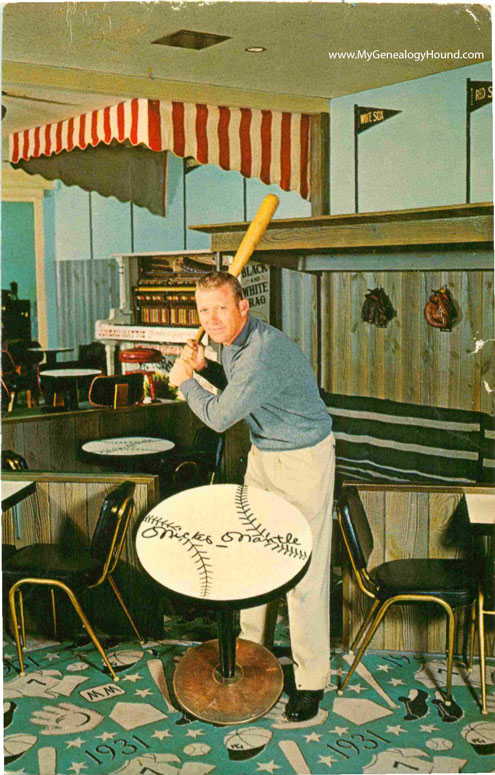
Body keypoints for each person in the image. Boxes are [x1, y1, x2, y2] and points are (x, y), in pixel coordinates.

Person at [168, 271, 335, 722]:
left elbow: (222, 418)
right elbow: (243, 390)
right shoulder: (234, 341)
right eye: (204, 310)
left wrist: (185, 380)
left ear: (244, 306)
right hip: (266, 454)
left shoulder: (262, 349)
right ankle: (248, 658)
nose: (212, 319)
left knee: (303, 572)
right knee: (254, 562)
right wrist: (206, 368)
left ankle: (311, 682)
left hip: (304, 459)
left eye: (221, 307)